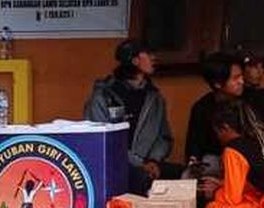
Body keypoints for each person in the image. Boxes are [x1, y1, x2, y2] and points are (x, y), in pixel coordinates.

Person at [83, 39, 174, 195]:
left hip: (149, 165)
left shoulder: (154, 97)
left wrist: (153, 160)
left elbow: (163, 136)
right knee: (139, 179)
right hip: (113, 166)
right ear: (134, 60)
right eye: (148, 54)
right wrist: (139, 163)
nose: (154, 58)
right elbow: (101, 140)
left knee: (184, 177)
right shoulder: (104, 96)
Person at [185, 52, 246, 180]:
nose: (241, 81)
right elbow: (193, 147)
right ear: (217, 83)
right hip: (212, 164)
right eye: (235, 78)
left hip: (245, 162)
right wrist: (194, 162)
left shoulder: (252, 103)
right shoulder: (201, 108)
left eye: (241, 76)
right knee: (188, 178)